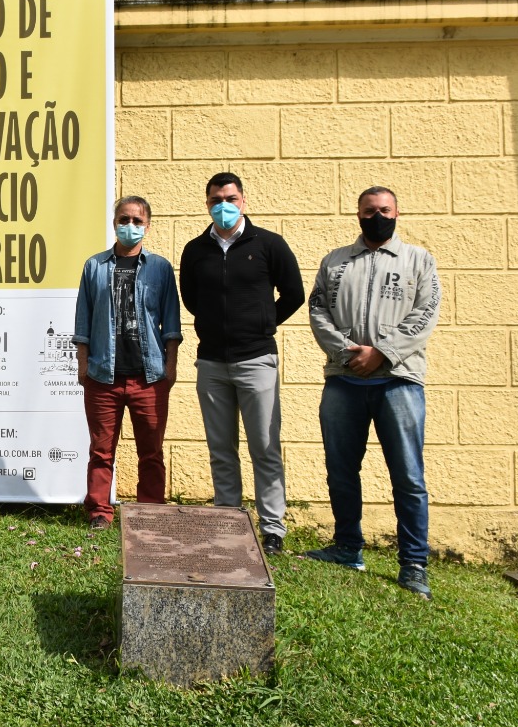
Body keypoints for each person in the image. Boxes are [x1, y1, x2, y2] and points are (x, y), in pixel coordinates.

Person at [306, 186, 441, 599]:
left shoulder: (418, 260)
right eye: (369, 211)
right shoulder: (335, 262)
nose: (376, 216)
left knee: (408, 476)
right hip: (344, 381)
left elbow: (426, 311)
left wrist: (382, 352)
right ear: (358, 214)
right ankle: (348, 547)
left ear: (397, 212)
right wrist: (347, 354)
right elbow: (317, 309)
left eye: (384, 210)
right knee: (341, 471)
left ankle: (414, 563)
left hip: (399, 382)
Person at [179, 172, 304, 555]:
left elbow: (294, 293)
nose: (224, 205)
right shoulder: (195, 250)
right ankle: (229, 522)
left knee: (265, 445)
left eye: (231, 198)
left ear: (243, 201)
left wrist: (262, 324)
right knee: (221, 448)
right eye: (217, 199)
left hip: (257, 360)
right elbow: (192, 300)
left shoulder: (268, 244)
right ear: (207, 204)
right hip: (213, 364)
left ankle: (272, 528)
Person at [73, 195, 182, 530]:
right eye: (124, 219)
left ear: (147, 226)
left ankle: (149, 514)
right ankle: (99, 513)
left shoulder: (161, 268)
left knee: (151, 452)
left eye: (137, 221)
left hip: (149, 377)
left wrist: (170, 368)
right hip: (103, 377)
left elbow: (172, 325)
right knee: (101, 450)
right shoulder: (94, 267)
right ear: (114, 222)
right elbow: (83, 323)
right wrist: (83, 368)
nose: (130, 226)